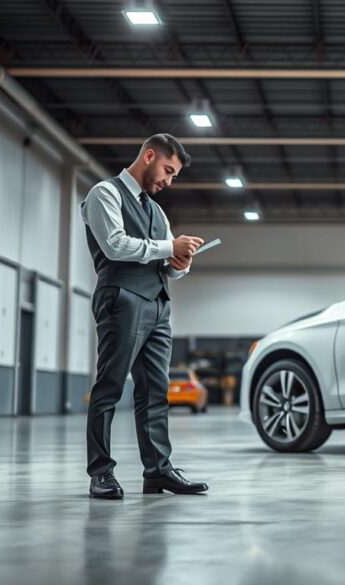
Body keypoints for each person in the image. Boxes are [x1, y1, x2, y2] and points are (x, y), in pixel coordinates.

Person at [81, 133, 208, 499]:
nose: (168, 181)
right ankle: (101, 473)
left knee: (155, 391)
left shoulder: (157, 211)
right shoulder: (104, 194)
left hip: (158, 304)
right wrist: (170, 246)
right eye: (167, 171)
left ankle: (158, 471)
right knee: (110, 387)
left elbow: (167, 264)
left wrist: (180, 262)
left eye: (173, 176)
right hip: (121, 298)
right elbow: (115, 245)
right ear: (149, 156)